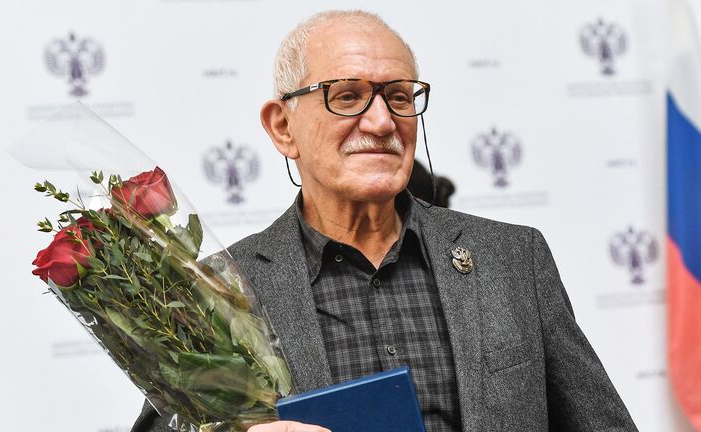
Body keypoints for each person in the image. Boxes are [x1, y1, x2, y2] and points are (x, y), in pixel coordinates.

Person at [132, 10, 637, 432]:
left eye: (398, 97)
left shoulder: (511, 259)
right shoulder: (222, 289)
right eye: (346, 96)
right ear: (283, 127)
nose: (381, 122)